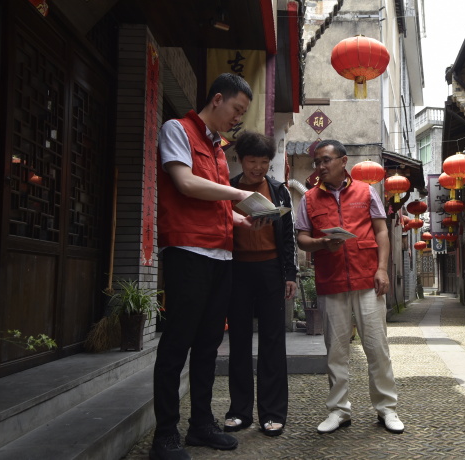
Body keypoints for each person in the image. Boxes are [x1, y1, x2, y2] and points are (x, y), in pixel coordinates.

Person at [152, 73, 266, 460]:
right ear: (217, 99)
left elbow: (213, 203)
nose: (238, 118)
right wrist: (238, 193)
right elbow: (185, 183)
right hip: (188, 252)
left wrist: (241, 219)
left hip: (221, 255)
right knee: (176, 344)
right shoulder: (177, 129)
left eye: (243, 113)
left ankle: (200, 424)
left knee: (208, 345)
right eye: (236, 109)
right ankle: (165, 435)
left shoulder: (218, 148)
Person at [295, 139, 405, 435]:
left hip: (367, 279)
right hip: (331, 281)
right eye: (317, 161)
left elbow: (381, 231)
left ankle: (387, 408)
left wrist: (382, 269)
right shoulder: (309, 198)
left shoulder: (366, 192)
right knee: (335, 350)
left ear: (343, 162)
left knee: (377, 347)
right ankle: (338, 410)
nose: (320, 166)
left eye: (326, 160)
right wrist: (321, 242)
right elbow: (302, 238)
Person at [223, 131, 297, 437]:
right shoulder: (228, 189)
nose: (258, 168)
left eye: (264, 162)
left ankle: (273, 413)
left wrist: (290, 274)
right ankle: (239, 412)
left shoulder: (279, 190)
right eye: (253, 161)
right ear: (240, 160)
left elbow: (288, 234)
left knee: (273, 341)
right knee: (239, 340)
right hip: (237, 269)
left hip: (270, 270)